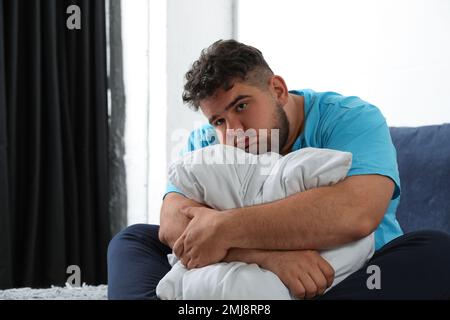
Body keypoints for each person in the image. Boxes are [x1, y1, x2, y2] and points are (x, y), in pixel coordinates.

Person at [107, 39, 450, 300]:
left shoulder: (350, 118)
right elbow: (173, 224)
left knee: (435, 251)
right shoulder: (207, 142)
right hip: (246, 280)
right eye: (219, 120)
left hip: (344, 277)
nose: (235, 132)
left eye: (241, 105)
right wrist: (266, 258)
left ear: (278, 89)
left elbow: (357, 213)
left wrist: (223, 230)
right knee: (134, 239)